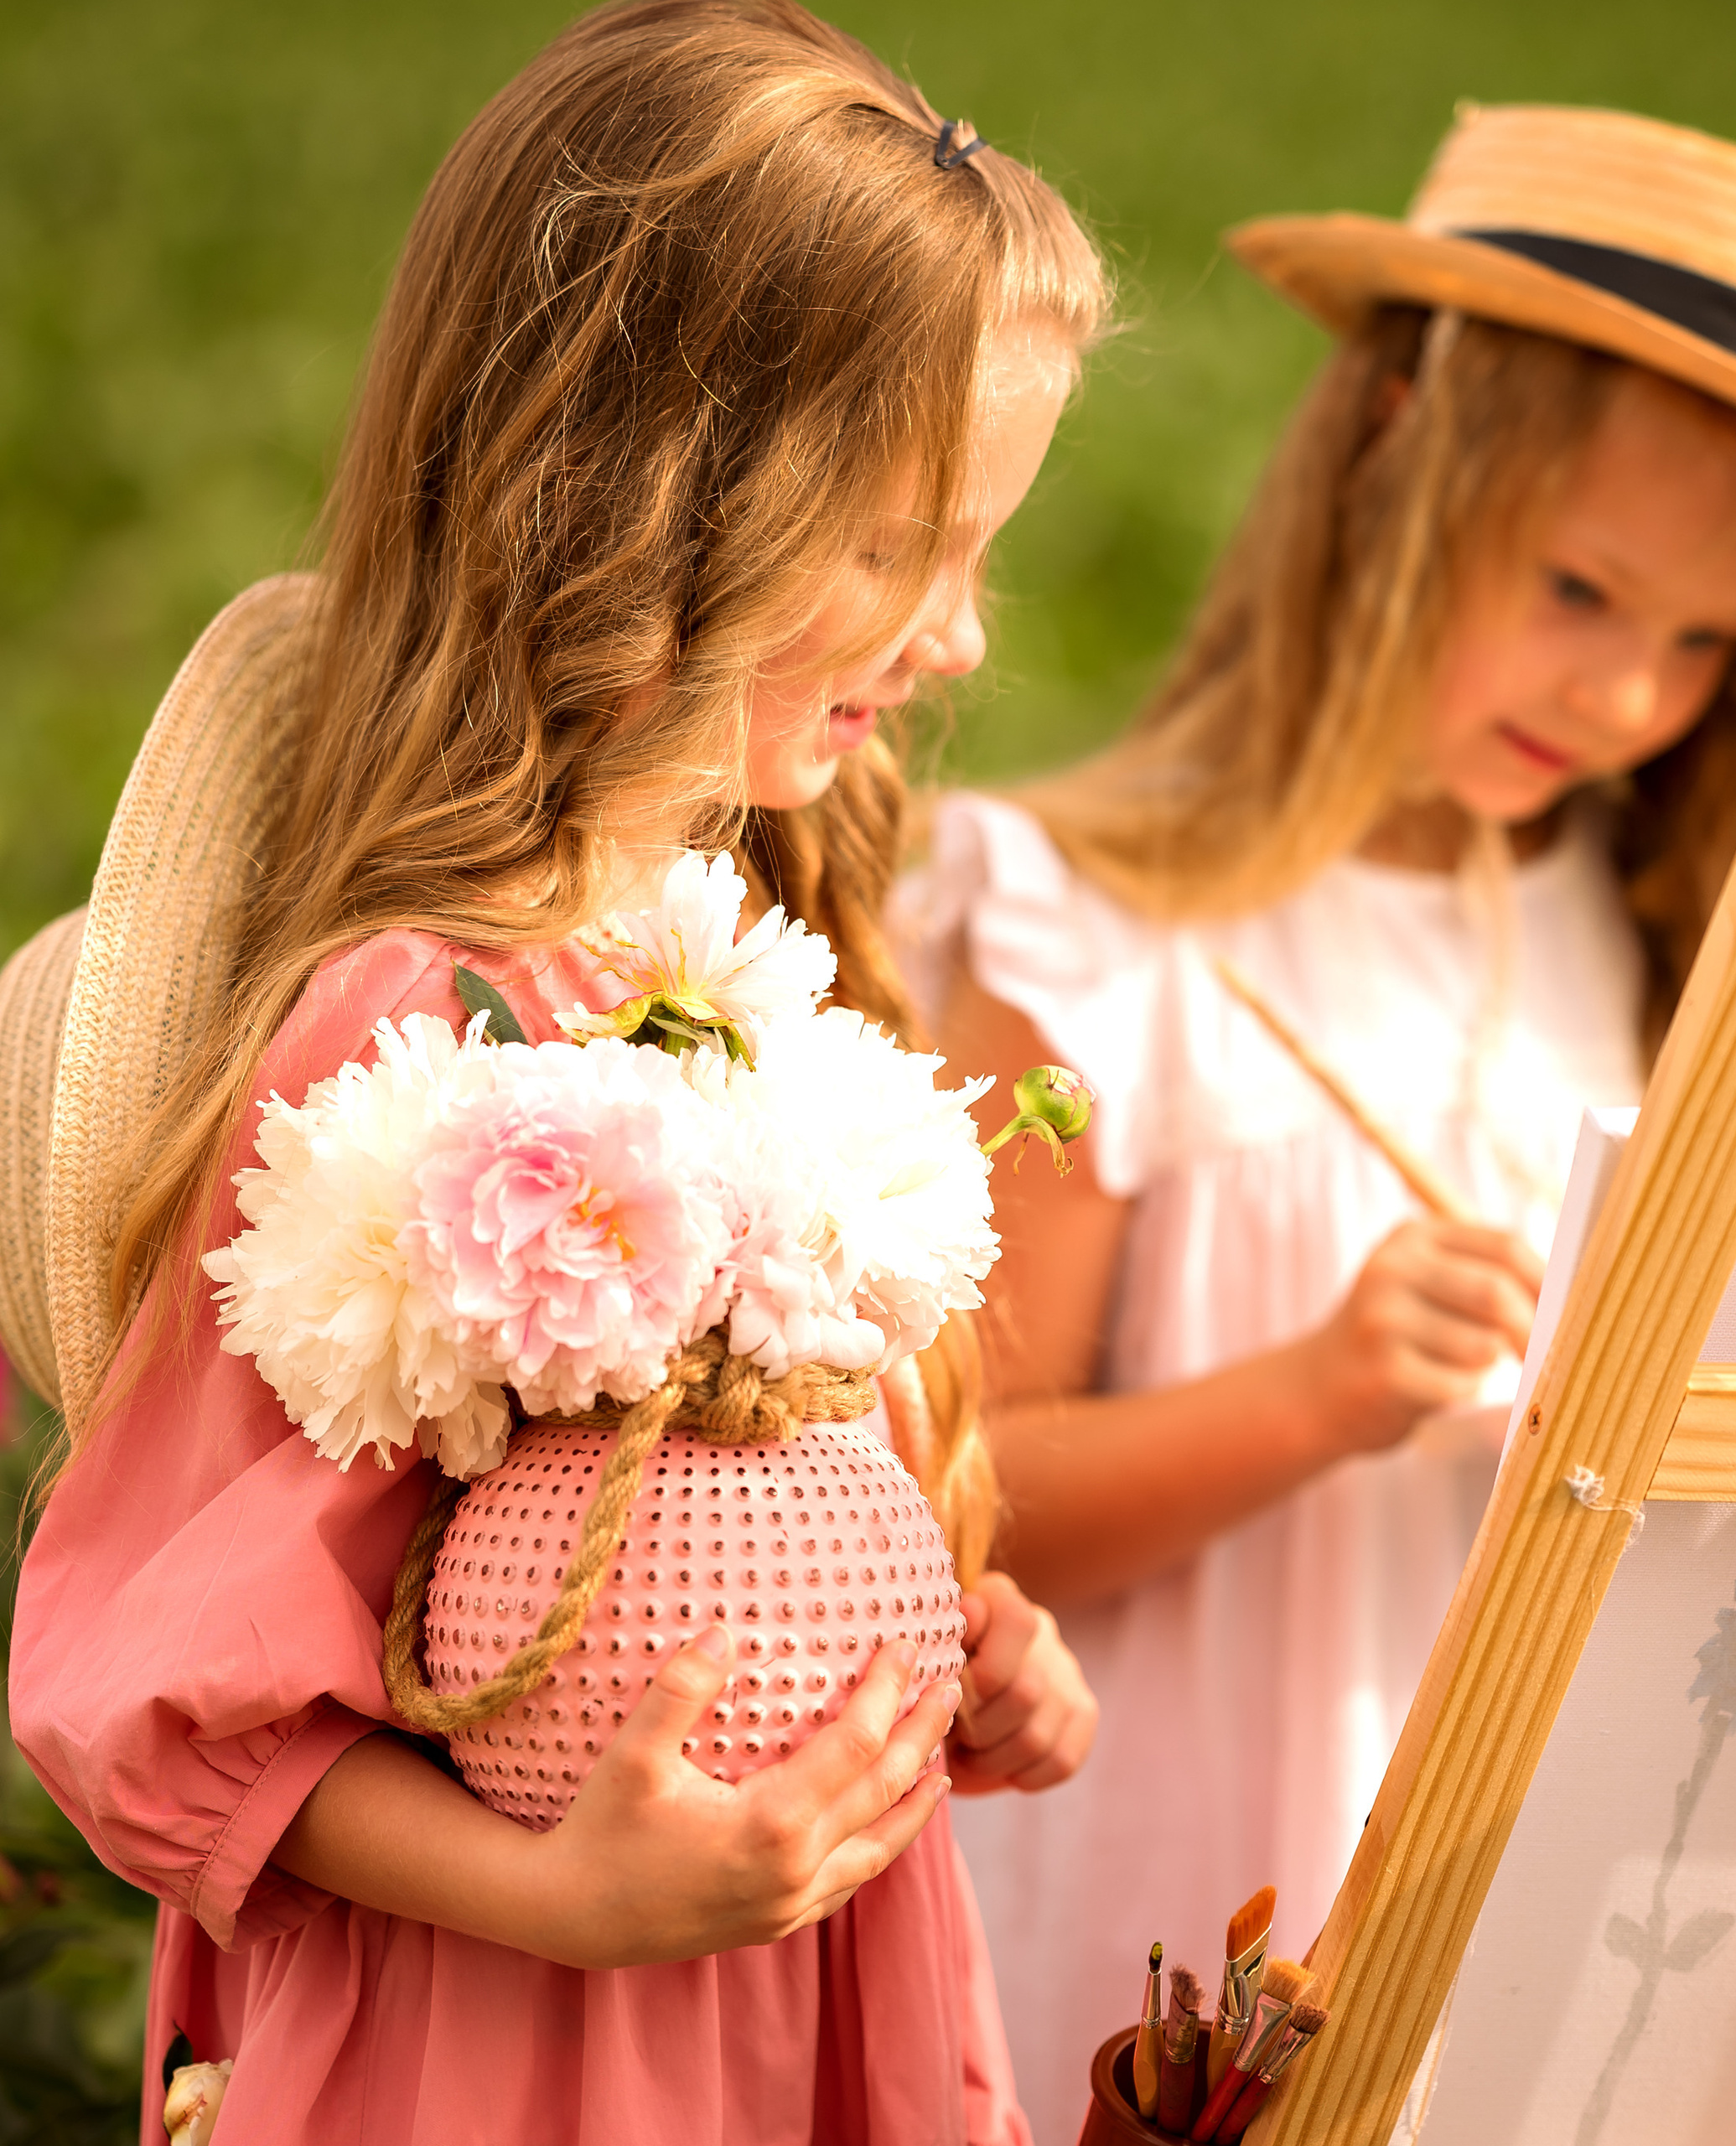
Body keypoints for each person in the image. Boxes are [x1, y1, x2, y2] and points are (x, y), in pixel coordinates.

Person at [4, 4, 1109, 2139]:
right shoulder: (417, 1046)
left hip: (771, 2013)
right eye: (898, 547)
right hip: (508, 2042)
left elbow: (684, 1537)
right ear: (633, 502)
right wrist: (553, 1888)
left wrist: (932, 1651)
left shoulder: (739, 989)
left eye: (977, 551)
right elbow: (162, 1683)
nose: (959, 632)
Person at [903, 102, 1736, 2133]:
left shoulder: (1637, 951)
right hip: (1169, 1858)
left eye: (1703, 642)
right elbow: (947, 1495)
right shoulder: (1088, 927)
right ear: (1389, 467)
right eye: (1578, 589)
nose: (1619, 695)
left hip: (1525, 1883)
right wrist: (1311, 1390)